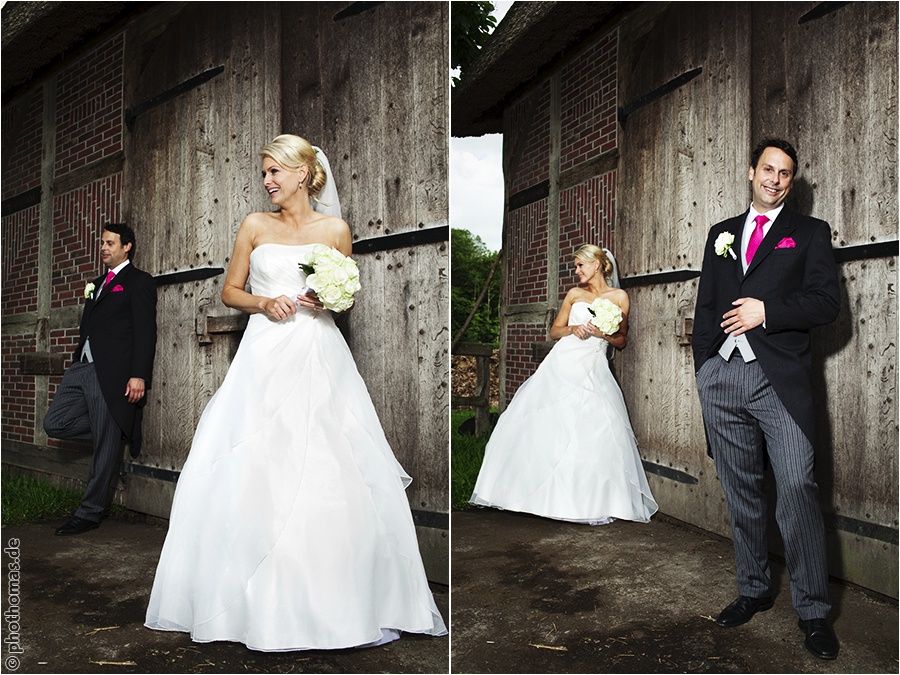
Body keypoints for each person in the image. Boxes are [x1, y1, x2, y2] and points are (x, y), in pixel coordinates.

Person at [144, 134, 447, 651]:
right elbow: (229, 290)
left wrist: (324, 296)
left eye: (275, 172)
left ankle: (330, 596)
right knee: (256, 459)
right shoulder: (254, 226)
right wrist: (265, 304)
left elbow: (346, 299)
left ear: (303, 174)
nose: (267, 182)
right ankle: (246, 596)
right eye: (264, 173)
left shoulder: (335, 229)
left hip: (316, 351)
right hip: (263, 356)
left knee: (328, 457)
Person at [693, 139, 841, 660]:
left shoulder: (810, 234)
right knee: (742, 491)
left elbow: (827, 303)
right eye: (769, 169)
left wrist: (767, 312)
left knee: (797, 483)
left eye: (786, 174)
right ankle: (754, 590)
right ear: (751, 170)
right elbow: (707, 304)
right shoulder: (720, 235)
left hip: (780, 380)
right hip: (724, 377)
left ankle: (814, 612)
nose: (776, 179)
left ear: (792, 181)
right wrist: (704, 369)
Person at [469, 244, 658, 525]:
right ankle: (530, 495)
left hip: (594, 369)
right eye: (576, 266)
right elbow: (555, 331)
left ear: (597, 265)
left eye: (581, 265)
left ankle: (583, 502)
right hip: (561, 365)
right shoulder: (574, 294)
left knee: (595, 429)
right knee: (546, 425)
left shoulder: (619, 297)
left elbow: (622, 340)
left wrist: (603, 334)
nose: (577, 270)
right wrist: (573, 329)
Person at [44, 224, 157, 536]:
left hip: (113, 373)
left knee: (105, 447)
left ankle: (89, 513)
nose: (103, 247)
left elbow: (146, 332)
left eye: (110, 243)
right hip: (82, 367)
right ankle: (115, 431)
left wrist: (139, 375)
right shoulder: (96, 284)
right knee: (55, 423)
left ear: (127, 247)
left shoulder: (138, 282)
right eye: (102, 243)